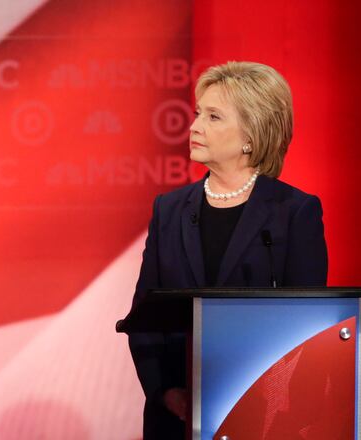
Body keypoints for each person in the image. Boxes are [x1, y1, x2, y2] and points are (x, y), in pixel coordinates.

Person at [128, 61, 327, 439]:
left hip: (262, 417)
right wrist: (167, 393)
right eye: (198, 113)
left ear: (251, 134)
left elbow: (306, 327)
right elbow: (143, 319)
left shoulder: (294, 212)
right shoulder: (168, 210)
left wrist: (251, 397)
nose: (195, 127)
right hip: (176, 419)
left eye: (214, 117)